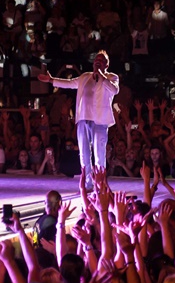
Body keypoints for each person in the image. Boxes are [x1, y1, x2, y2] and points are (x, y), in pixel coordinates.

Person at [38, 50, 119, 188]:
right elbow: (69, 83)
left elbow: (114, 90)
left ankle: (100, 184)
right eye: (96, 60)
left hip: (100, 121)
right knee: (84, 154)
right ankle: (87, 184)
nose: (97, 62)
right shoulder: (85, 77)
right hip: (83, 119)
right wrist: (52, 80)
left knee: (99, 154)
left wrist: (101, 74)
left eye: (101, 61)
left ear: (106, 64)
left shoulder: (112, 77)